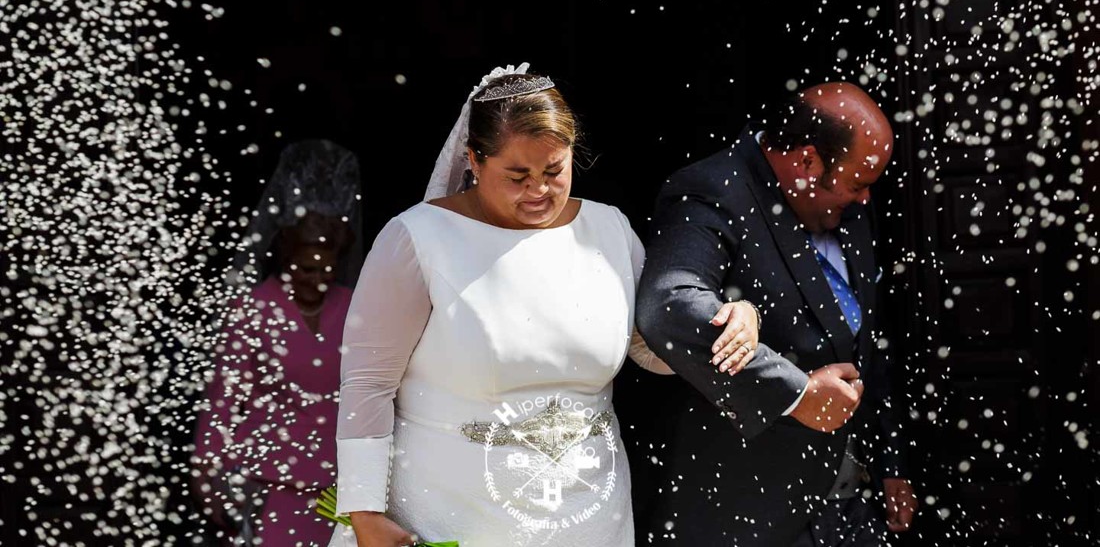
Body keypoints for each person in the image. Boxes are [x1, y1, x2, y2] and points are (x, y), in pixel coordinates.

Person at [328, 64, 762, 547]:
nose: (538, 190)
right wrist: (364, 512)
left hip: (592, 520)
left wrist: (733, 319)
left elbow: (654, 349)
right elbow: (368, 383)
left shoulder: (609, 229)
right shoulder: (416, 238)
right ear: (474, 160)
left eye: (554, 171)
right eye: (517, 176)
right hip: (448, 516)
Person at [635, 82, 917, 546]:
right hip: (749, 513)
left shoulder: (849, 208)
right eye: (858, 183)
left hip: (853, 512)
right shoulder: (713, 190)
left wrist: (891, 462)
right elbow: (670, 305)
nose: (866, 198)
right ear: (807, 162)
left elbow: (869, 341)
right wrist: (796, 394)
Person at [192, 139, 363, 546]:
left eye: (326, 269)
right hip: (267, 488)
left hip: (343, 491)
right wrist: (206, 469)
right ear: (285, 255)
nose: (316, 279)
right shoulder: (253, 309)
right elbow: (223, 398)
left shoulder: (355, 308)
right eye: (305, 268)